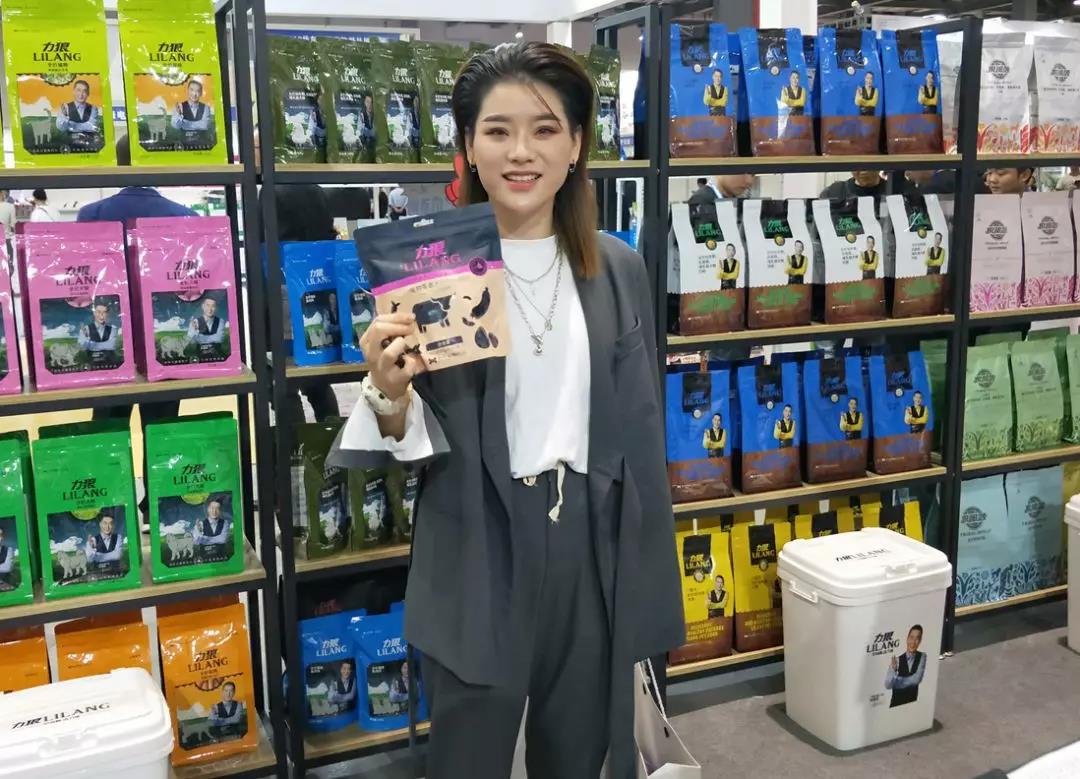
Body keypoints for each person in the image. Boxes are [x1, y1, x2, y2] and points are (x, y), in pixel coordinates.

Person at [336, 42, 682, 779]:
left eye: (545, 129)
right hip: (478, 537)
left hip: (591, 539)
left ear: (577, 144)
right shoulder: (428, 274)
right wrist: (387, 391)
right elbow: (407, 437)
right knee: (468, 753)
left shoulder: (617, 267)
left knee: (578, 751)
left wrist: (649, 575)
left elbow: (642, 429)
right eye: (497, 130)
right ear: (468, 144)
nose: (521, 152)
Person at [885, 624, 926, 707]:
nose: (913, 642)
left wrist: (896, 680)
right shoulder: (897, 660)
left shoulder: (922, 656)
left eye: (917, 638)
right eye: (911, 637)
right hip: (895, 704)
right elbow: (888, 685)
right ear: (907, 639)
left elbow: (916, 679)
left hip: (912, 704)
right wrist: (893, 670)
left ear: (920, 641)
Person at [820, 170, 888, 201]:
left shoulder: (892, 192)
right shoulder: (831, 193)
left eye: (869, 164)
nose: (863, 172)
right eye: (857, 164)